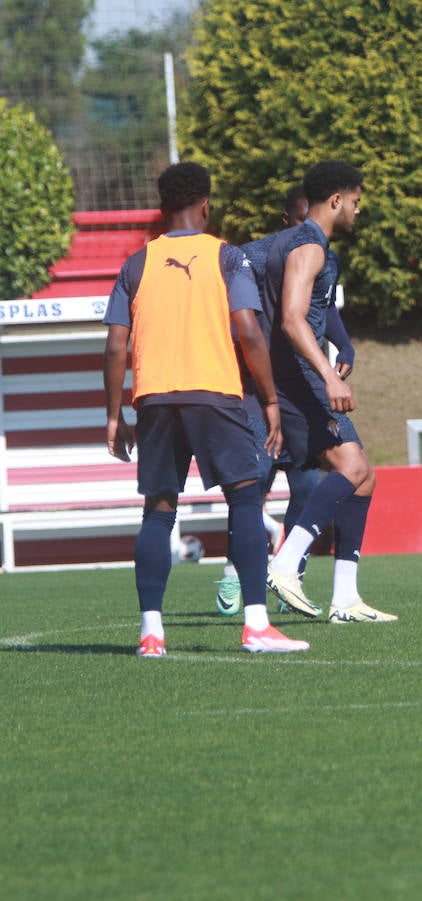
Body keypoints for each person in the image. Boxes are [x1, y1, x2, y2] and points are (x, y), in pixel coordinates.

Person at [102, 161, 309, 656]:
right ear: (205, 205)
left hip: (153, 397)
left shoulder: (136, 264)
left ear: (161, 206)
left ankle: (152, 633)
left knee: (158, 510)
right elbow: (248, 328)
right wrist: (273, 399)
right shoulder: (227, 257)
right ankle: (256, 625)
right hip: (214, 394)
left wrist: (114, 415)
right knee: (243, 499)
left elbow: (114, 346)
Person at [261, 160, 396, 624]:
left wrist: (340, 349)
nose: (359, 211)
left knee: (365, 476)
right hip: (299, 378)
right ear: (336, 200)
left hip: (300, 375)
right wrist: (328, 374)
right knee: (352, 465)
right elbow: (292, 319)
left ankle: (345, 599)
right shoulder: (307, 246)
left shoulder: (310, 247)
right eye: (356, 202)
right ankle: (286, 562)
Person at [214, 184, 357, 616]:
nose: (303, 233)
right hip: (258, 393)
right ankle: (235, 570)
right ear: (285, 222)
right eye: (297, 224)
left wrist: (345, 346)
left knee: (310, 485)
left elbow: (322, 305)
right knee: (252, 482)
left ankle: (289, 574)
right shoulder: (254, 257)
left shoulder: (319, 253)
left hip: (299, 391)